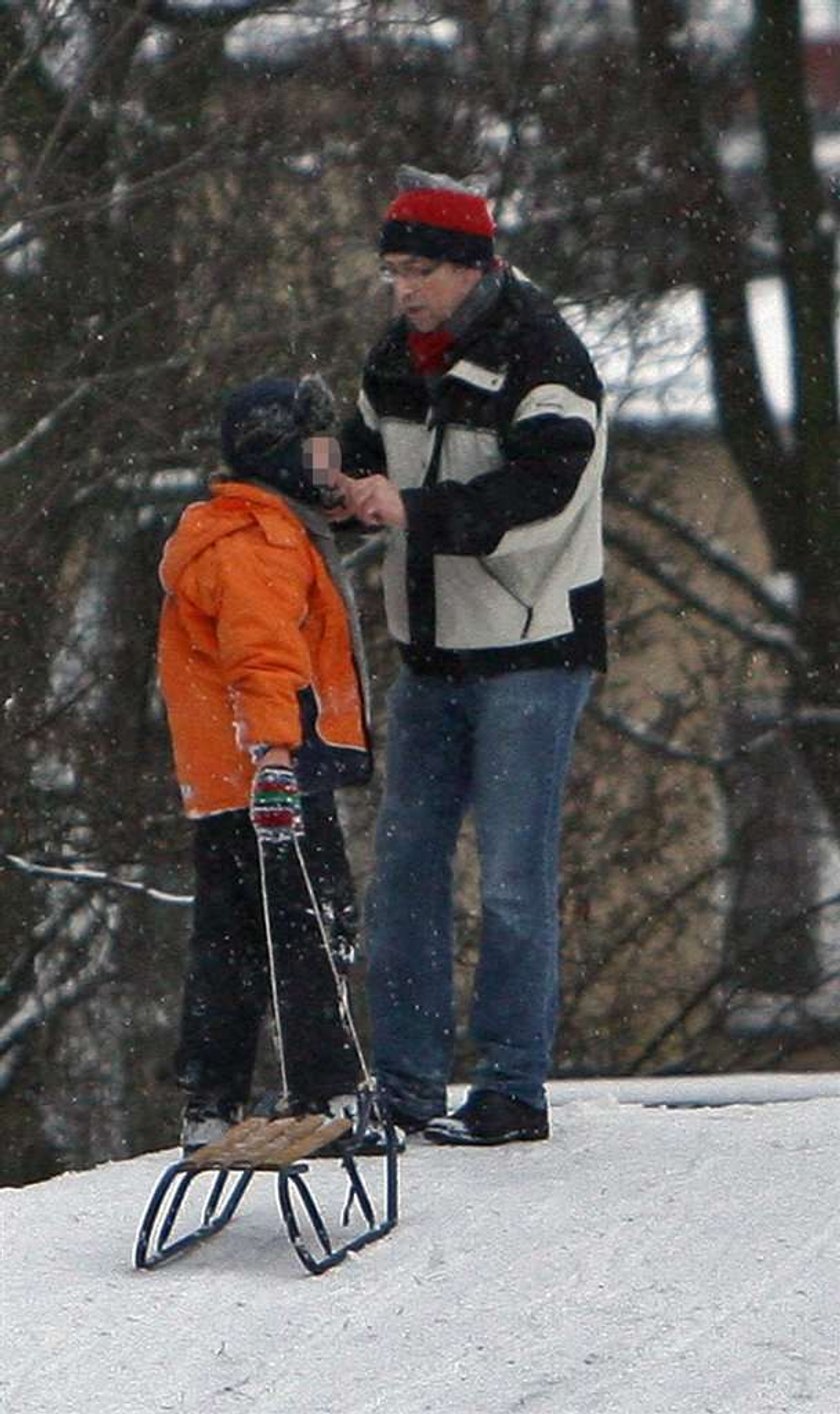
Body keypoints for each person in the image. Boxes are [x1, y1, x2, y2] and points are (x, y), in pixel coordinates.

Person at [331, 166, 607, 1146]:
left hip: (532, 651)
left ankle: (510, 1087)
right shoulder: (395, 358)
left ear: (474, 268)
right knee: (403, 870)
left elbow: (545, 496)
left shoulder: (546, 356)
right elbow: (366, 456)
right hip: (431, 654)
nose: (405, 291)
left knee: (513, 875)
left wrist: (417, 511)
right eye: (393, 271)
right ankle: (403, 1087)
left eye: (421, 271)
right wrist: (336, 485)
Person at [157, 374, 374, 1153]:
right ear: (281, 454)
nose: (332, 459)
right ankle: (332, 1094)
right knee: (313, 925)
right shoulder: (261, 544)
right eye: (318, 444)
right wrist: (278, 757)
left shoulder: (236, 530)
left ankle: (210, 1101)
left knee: (232, 937)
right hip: (274, 771)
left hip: (224, 781)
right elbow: (264, 658)